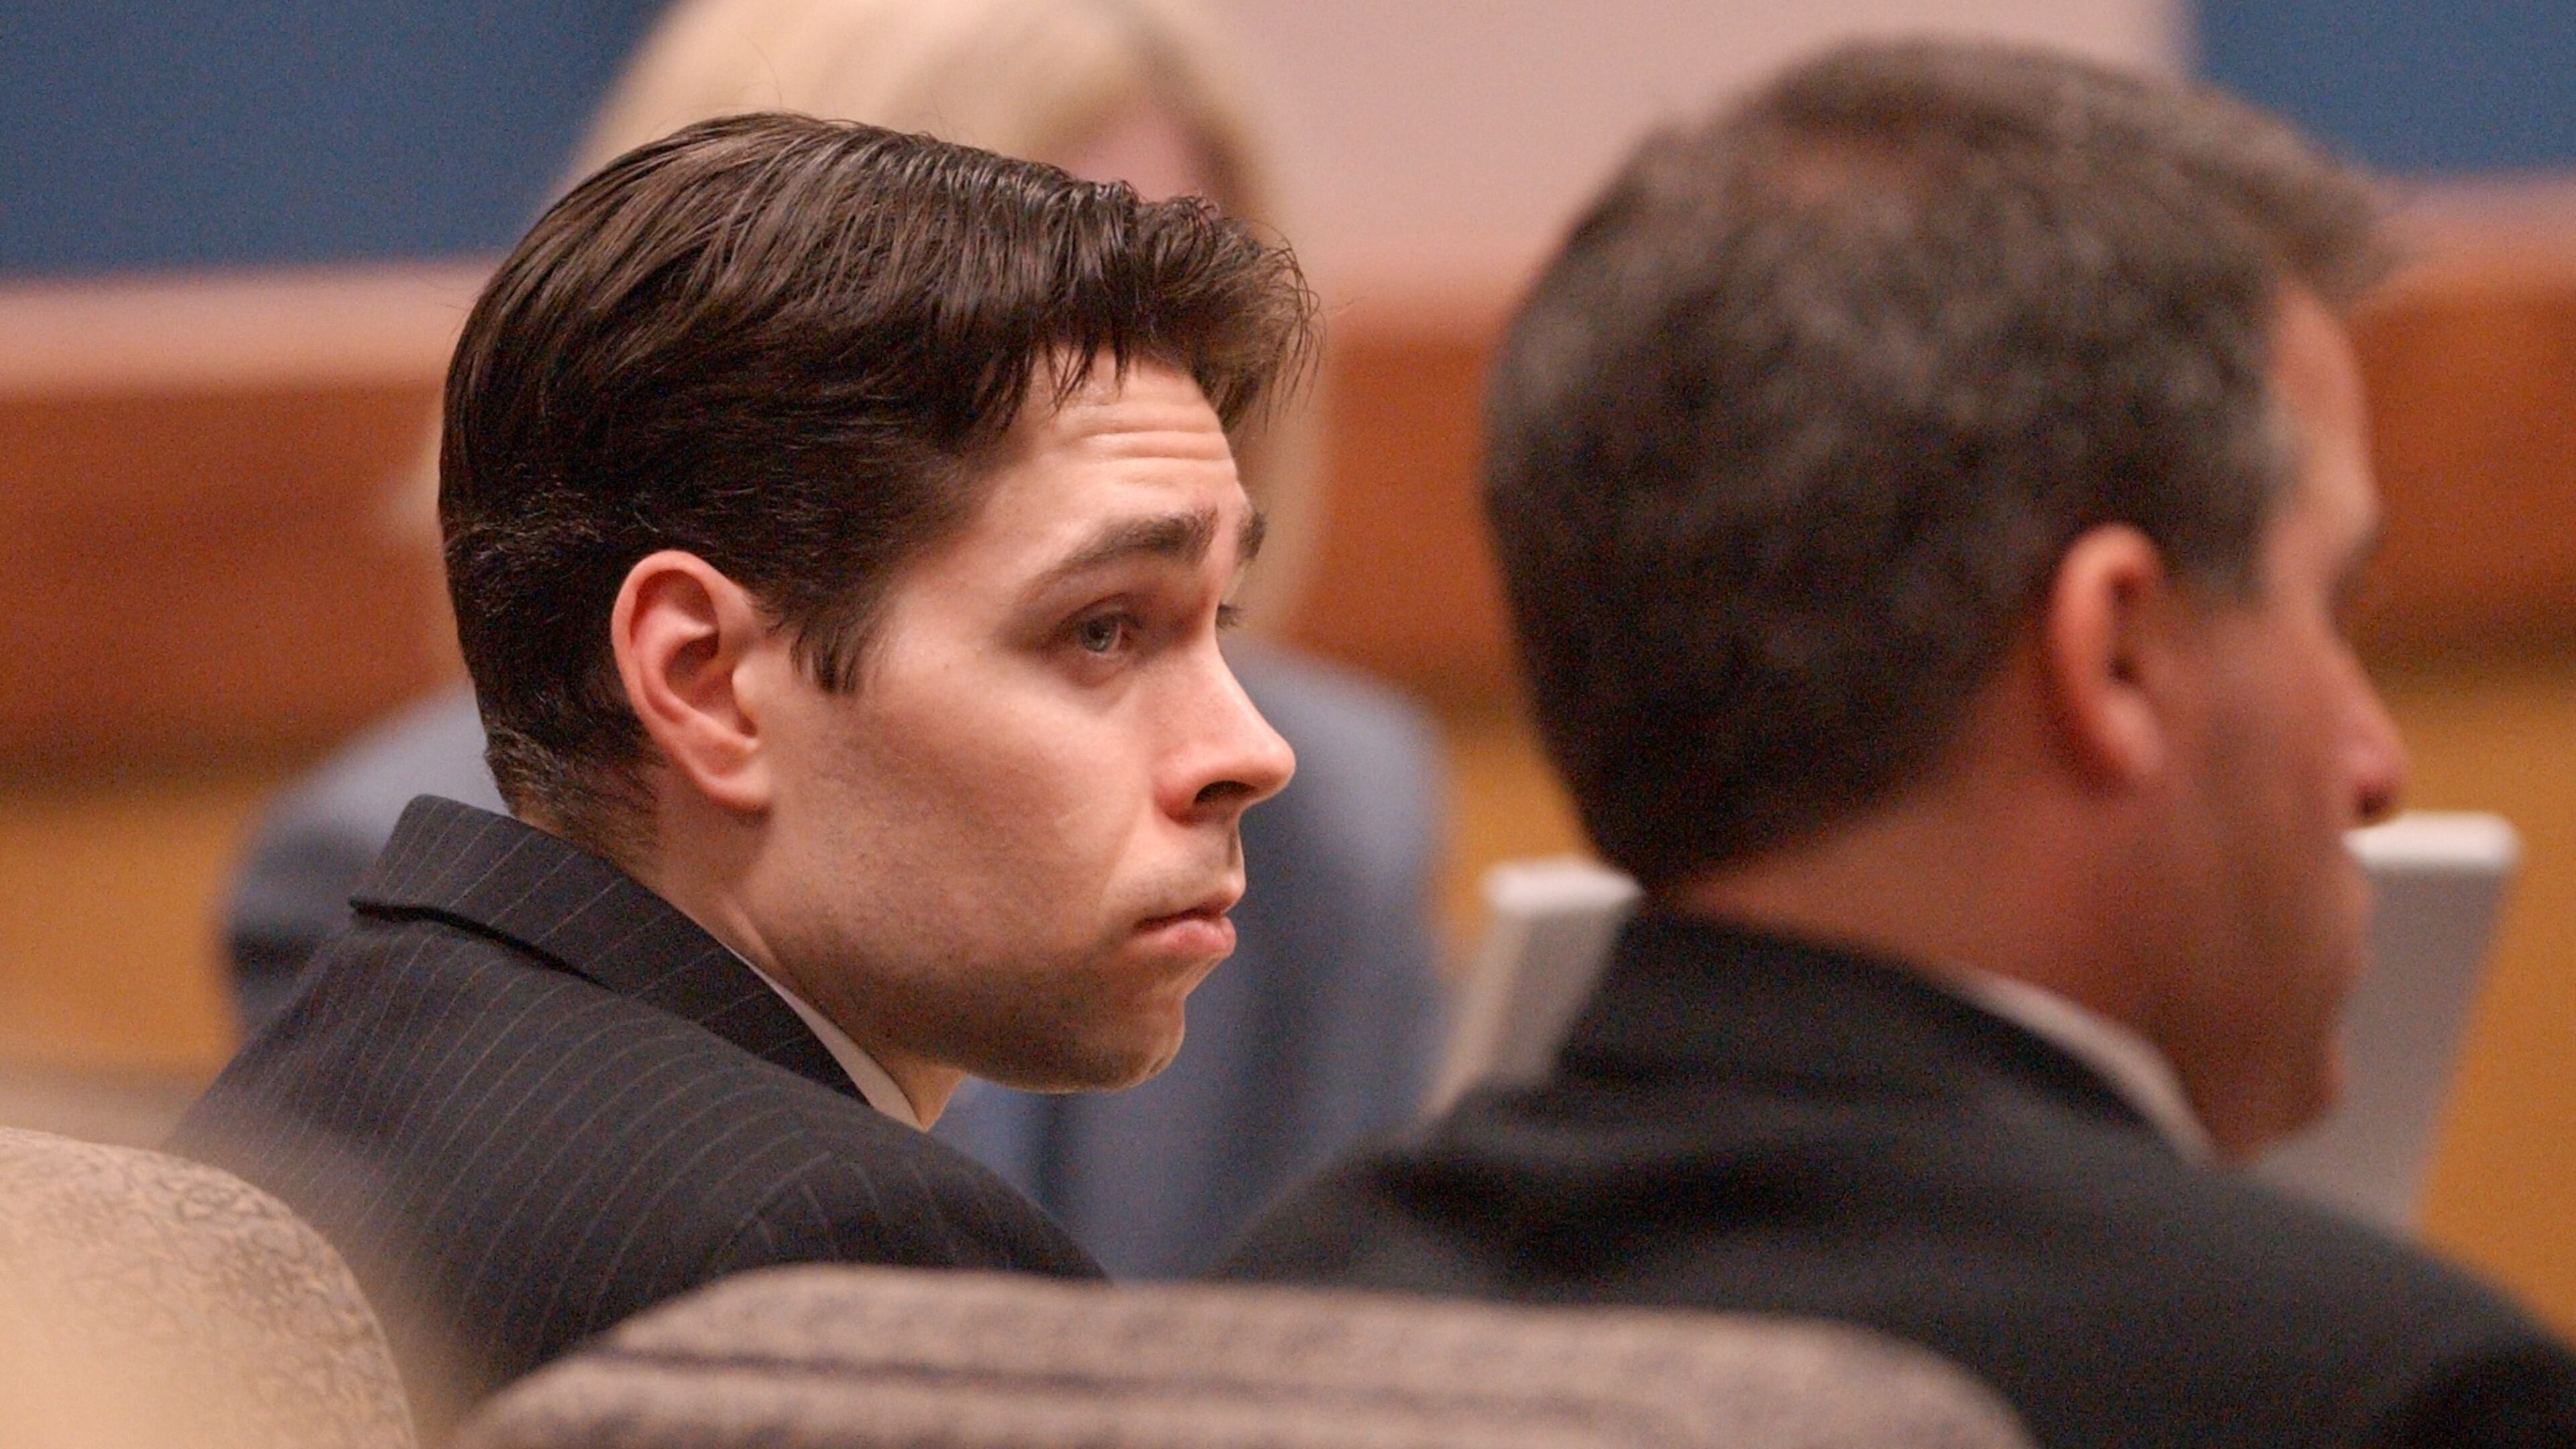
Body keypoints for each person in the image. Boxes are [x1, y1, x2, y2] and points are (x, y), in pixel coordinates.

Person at [1218, 38, 2576, 1449]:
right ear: (2116, 657)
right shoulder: (2385, 1399)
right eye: (2328, 607)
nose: (2375, 763)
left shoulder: (1272, 1327)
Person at [223, 0, 1443, 1278]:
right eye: (1099, 631)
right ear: (705, 681)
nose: (1253, 750)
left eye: (1215, 621)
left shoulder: (358, 1063)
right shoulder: (833, 1246)